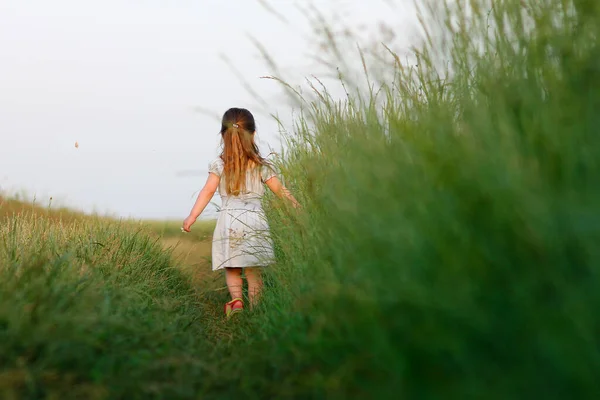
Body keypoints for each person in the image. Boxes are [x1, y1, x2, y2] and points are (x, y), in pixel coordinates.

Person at [182, 107, 299, 318]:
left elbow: (208, 191)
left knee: (233, 266)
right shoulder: (261, 165)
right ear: (253, 134)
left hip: (230, 220)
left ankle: (236, 302)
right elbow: (281, 192)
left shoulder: (219, 164)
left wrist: (192, 216)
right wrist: (297, 207)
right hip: (255, 220)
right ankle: (256, 310)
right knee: (254, 269)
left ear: (223, 136)